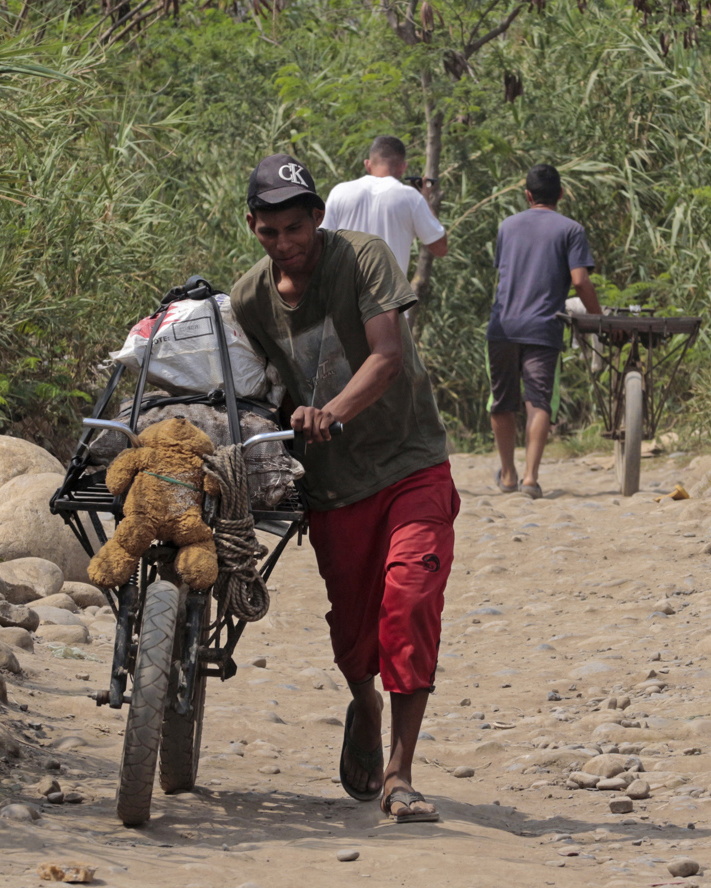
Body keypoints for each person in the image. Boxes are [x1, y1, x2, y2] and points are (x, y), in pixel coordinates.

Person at [230, 153, 459, 824]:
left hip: (411, 462)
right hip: (333, 488)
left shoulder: (361, 259)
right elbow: (251, 388)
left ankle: (400, 774)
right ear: (253, 227)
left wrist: (331, 411)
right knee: (354, 635)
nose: (285, 245)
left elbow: (387, 357)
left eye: (295, 230)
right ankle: (364, 702)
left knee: (410, 601)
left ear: (317, 219)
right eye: (270, 233)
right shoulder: (249, 298)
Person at [487, 163, 601, 498]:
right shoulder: (571, 229)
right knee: (538, 402)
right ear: (561, 194)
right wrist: (597, 318)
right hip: (543, 328)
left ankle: (507, 474)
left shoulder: (508, 226)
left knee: (502, 403)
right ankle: (530, 480)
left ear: (527, 195)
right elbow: (580, 280)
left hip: (503, 327)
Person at [320, 135, 448, 275]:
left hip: (345, 293)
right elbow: (440, 248)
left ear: (367, 164)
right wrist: (425, 199)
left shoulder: (340, 192)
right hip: (389, 294)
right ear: (402, 168)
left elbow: (321, 246)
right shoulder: (412, 198)